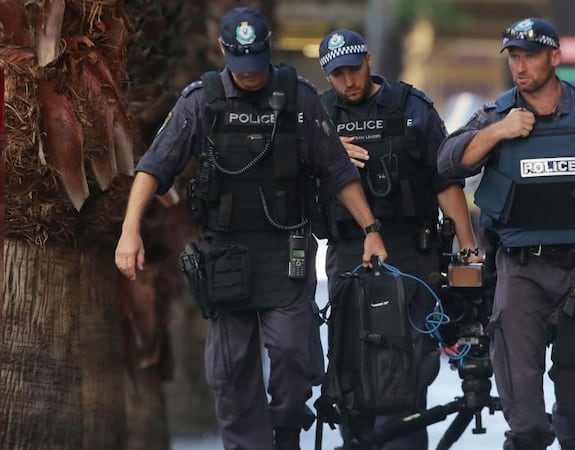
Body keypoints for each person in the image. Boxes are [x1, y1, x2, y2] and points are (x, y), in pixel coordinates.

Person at [114, 8, 387, 450]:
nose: (250, 75)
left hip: (286, 252)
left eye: (257, 63)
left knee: (295, 355)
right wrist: (130, 232)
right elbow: (152, 168)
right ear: (224, 51)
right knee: (231, 368)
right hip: (226, 255)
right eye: (241, 64)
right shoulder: (200, 101)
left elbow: (338, 171)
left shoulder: (299, 97)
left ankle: (285, 432)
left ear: (269, 48)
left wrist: (371, 229)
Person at [437, 17, 575, 450]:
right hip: (520, 273)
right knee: (524, 419)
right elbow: (447, 163)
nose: (520, 67)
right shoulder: (498, 114)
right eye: (514, 58)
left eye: (530, 56)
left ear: (555, 57)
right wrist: (498, 132)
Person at [317, 30, 479, 449]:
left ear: (369, 61)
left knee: (407, 366)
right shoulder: (317, 115)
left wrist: (467, 245)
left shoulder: (412, 107)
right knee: (350, 366)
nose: (348, 81)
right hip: (349, 253)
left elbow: (445, 181)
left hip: (410, 251)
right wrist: (326, 152)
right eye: (337, 75)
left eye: (354, 69)